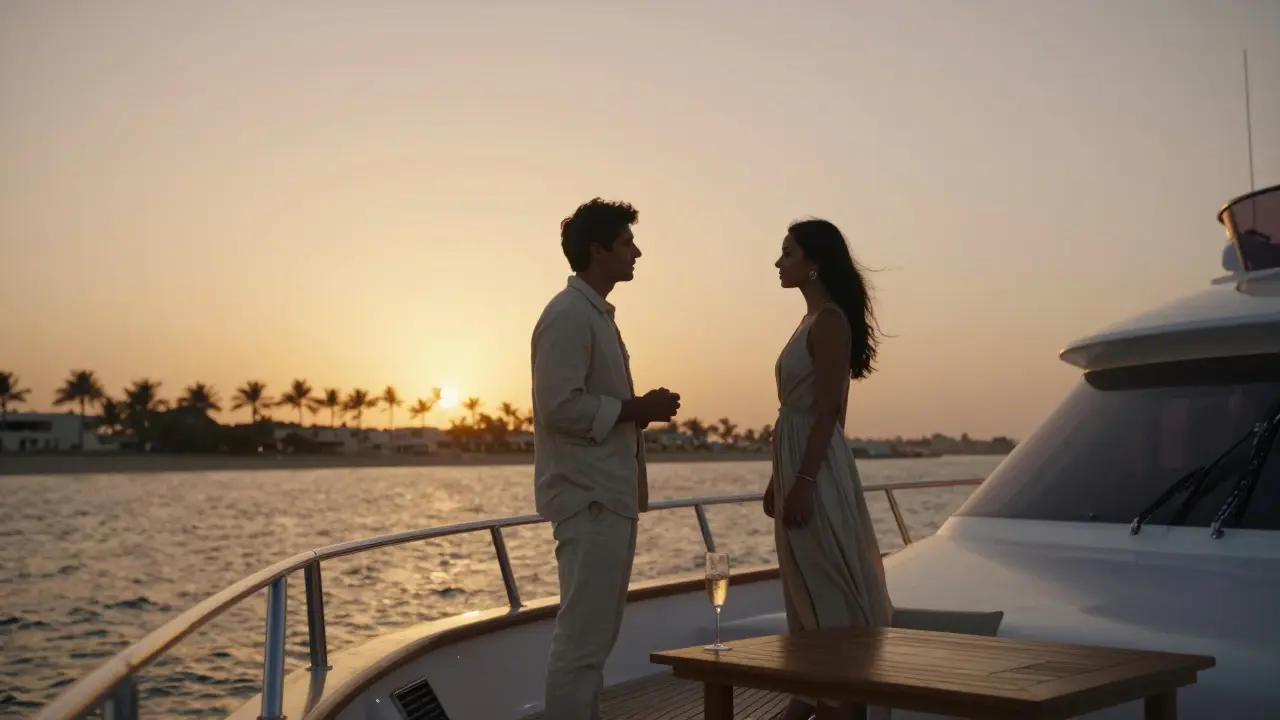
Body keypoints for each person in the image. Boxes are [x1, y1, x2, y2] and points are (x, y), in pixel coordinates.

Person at [532, 197, 682, 719]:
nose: (636, 251)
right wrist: (639, 408)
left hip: (605, 498)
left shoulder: (591, 314)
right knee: (582, 645)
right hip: (589, 499)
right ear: (598, 250)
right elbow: (559, 408)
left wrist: (636, 411)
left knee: (592, 643)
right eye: (626, 243)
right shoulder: (568, 315)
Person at [763, 218, 894, 720]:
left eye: (788, 253)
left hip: (816, 465)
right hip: (798, 457)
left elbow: (829, 412)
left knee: (828, 583)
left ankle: (836, 701)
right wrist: (781, 476)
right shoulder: (808, 321)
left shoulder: (830, 322)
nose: (779, 262)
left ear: (813, 263)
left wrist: (805, 481)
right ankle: (812, 694)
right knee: (803, 589)